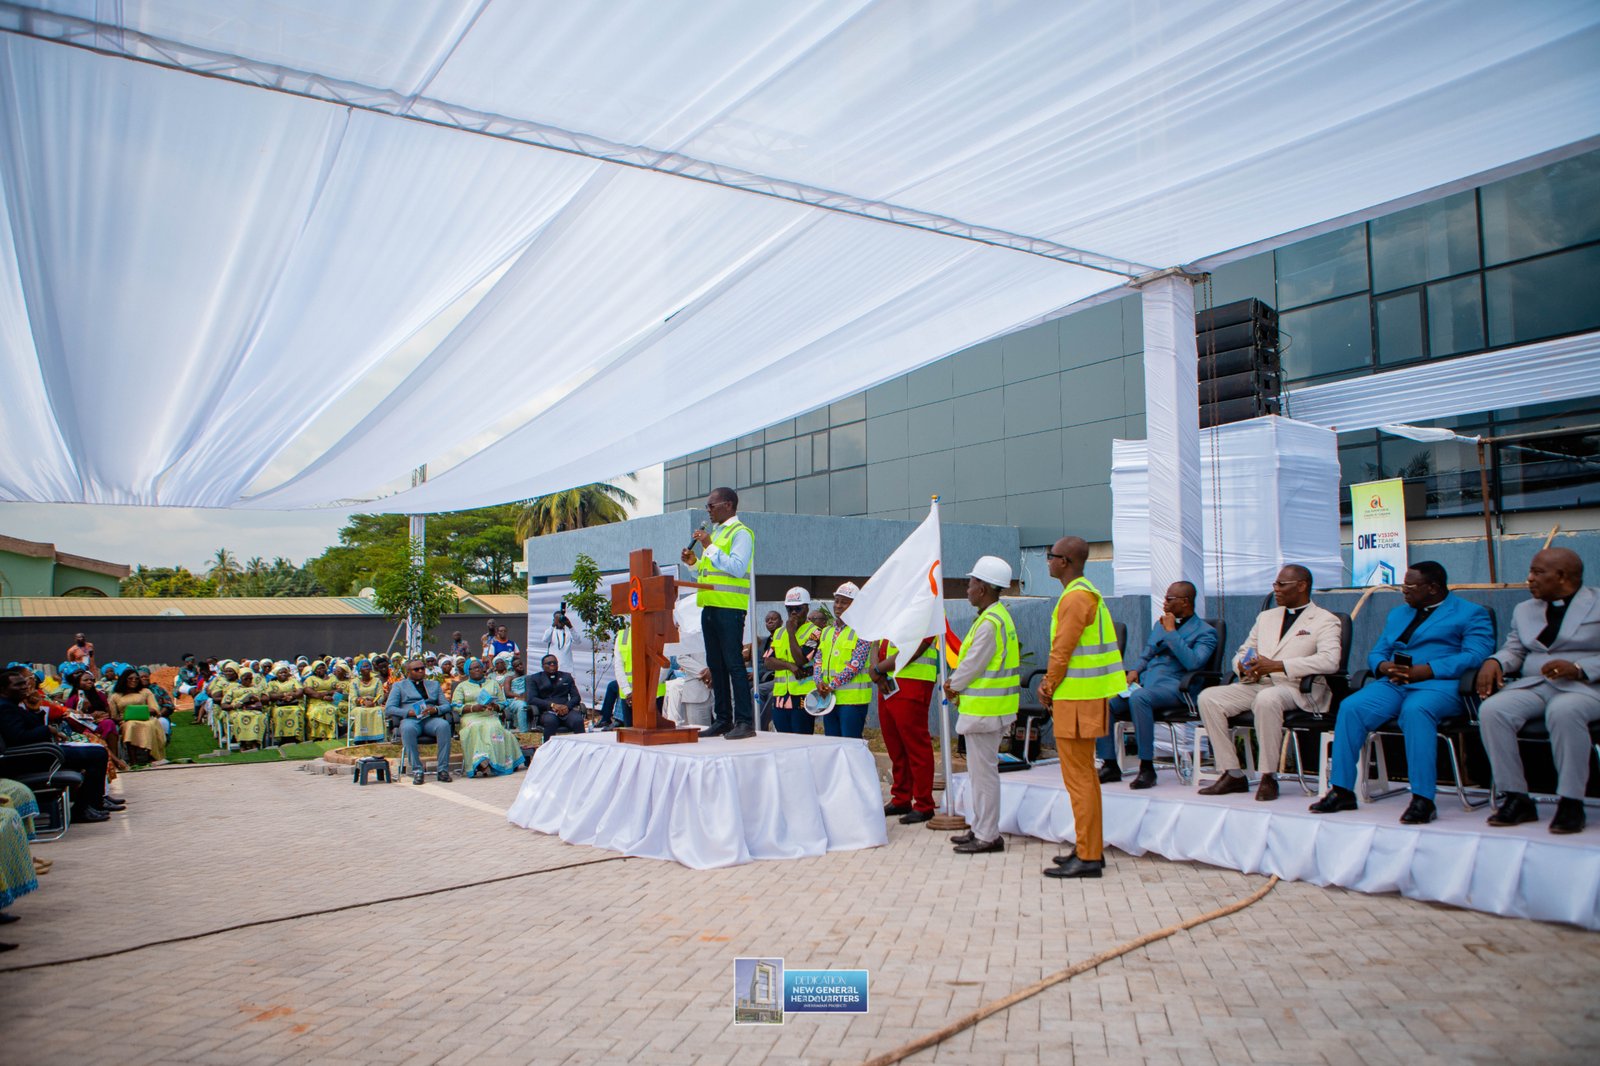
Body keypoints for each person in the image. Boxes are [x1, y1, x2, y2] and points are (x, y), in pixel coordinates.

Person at [1310, 562, 1494, 824]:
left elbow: (1477, 655)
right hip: (1395, 683)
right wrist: (1383, 666)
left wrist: (1427, 670)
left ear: (1432, 588)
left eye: (1409, 586)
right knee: (1352, 707)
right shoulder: (1398, 614)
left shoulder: (1471, 613)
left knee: (1415, 711)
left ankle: (1423, 799)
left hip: (1440, 685)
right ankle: (1341, 790)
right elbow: (1377, 652)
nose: (1403, 591)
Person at [1477, 547, 1600, 834]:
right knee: (1493, 710)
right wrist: (1495, 661)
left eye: (1537, 572)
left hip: (1587, 687)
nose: (1529, 578)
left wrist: (1580, 667)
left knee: (1564, 710)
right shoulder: (1524, 609)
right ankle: (1517, 798)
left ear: (1562, 576)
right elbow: (1515, 649)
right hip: (1537, 685)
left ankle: (1571, 802)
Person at [1196, 565, 1342, 801]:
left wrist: (1279, 665)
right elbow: (1244, 650)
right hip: (1259, 683)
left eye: (1281, 584)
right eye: (1275, 584)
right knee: (1208, 697)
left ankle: (1268, 776)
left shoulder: (1325, 620)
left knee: (1267, 699)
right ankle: (1232, 773)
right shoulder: (1266, 617)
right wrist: (1243, 666)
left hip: (1296, 688)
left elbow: (1330, 661)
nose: (1275, 589)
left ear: (1302, 586)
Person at [1034, 537, 1125, 878]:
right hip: (1084, 695)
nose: (1048, 561)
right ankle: (1089, 847)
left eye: (1051, 556)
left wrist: (1048, 685)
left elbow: (1062, 650)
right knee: (1085, 777)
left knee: (1079, 779)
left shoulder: (1075, 598)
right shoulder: (1086, 592)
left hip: (1075, 697)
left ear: (1067, 561)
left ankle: (1088, 856)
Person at [1097, 582, 1217, 789]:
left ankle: (1147, 767)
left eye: (1170, 599)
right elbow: (1148, 652)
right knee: (1104, 701)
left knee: (1139, 698)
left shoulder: (1206, 632)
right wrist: (1135, 671)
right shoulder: (1159, 625)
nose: (1164, 603)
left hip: (1178, 688)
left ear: (1185, 602)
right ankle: (1109, 764)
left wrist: (1172, 633)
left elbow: (1194, 663)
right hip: (1148, 683)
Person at [945, 556, 1021, 855]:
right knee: (980, 774)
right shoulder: (997, 616)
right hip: (990, 709)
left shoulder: (990, 623)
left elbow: (971, 665)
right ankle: (980, 828)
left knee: (984, 775)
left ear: (985, 588)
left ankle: (988, 835)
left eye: (972, 582)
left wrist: (952, 684)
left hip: (986, 711)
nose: (968, 588)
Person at [681, 487, 756, 740]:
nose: (708, 511)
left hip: (730, 608)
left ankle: (744, 721)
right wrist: (694, 562)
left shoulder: (741, 533)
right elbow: (708, 572)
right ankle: (723, 719)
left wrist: (709, 546)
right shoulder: (717, 534)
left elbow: (735, 568)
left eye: (711, 506)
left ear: (728, 505)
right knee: (715, 664)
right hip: (710, 605)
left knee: (734, 663)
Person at [0, 664, 115, 824]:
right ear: (3, 689)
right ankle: (83, 809)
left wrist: (36, 711)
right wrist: (48, 730)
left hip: (42, 750)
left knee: (96, 749)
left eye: (24, 682)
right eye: (18, 684)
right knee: (97, 754)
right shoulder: (5, 708)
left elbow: (33, 724)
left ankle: (94, 803)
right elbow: (19, 737)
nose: (25, 686)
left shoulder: (15, 705)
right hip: (30, 757)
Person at [870, 628, 939, 824]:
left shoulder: (925, 604)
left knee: (915, 745)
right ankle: (901, 797)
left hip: (913, 681)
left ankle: (924, 804)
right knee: (894, 745)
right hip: (887, 682)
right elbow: (876, 641)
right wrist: (877, 671)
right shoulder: (892, 606)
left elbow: (915, 650)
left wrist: (877, 669)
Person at [814, 583, 872, 739]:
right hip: (829, 699)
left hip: (852, 701)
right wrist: (818, 682)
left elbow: (856, 665)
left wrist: (831, 685)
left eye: (844, 602)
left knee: (850, 745)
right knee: (832, 744)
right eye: (837, 601)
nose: (838, 606)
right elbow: (818, 660)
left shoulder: (862, 631)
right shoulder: (827, 631)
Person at [385, 658, 453, 784]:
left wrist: (435, 709)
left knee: (443, 725)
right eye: (417, 669)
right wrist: (407, 712)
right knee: (407, 729)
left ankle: (443, 770)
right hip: (411, 719)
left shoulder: (434, 685)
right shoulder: (399, 686)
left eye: (423, 668)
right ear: (408, 672)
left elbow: (447, 705)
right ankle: (417, 770)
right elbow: (389, 709)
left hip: (430, 719)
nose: (421, 671)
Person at [452, 659, 525, 776]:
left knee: (493, 727)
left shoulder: (493, 683)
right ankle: (481, 762)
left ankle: (495, 763)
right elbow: (456, 705)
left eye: (479, 667)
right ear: (468, 671)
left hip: (489, 714)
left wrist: (495, 706)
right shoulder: (462, 686)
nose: (477, 670)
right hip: (471, 716)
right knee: (476, 727)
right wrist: (473, 708)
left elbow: (503, 703)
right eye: (474, 668)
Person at [766, 588, 819, 735]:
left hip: (803, 695)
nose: (793, 613)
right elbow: (768, 661)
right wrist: (789, 666)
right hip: (781, 695)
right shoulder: (779, 632)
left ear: (807, 608)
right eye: (790, 609)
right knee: (783, 739)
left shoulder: (815, 632)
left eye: (798, 609)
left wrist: (791, 632)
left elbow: (801, 660)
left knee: (801, 738)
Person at [110, 667, 166, 764]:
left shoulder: (145, 692)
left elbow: (155, 709)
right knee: (131, 725)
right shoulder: (115, 696)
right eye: (130, 679)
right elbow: (114, 716)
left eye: (136, 678)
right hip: (126, 721)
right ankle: (133, 760)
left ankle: (151, 758)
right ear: (124, 680)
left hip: (146, 719)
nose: (134, 681)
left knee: (151, 725)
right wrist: (126, 717)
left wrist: (142, 711)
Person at [526, 654, 585, 742]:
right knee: (551, 721)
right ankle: (548, 750)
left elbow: (576, 697)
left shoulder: (566, 677)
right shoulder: (535, 678)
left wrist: (567, 707)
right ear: (543, 666)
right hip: (548, 711)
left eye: (554, 663)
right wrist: (552, 705)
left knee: (578, 720)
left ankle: (582, 748)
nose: (552, 665)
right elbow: (532, 699)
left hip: (566, 710)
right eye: (549, 663)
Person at [225, 665, 269, 749]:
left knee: (258, 716)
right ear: (240, 679)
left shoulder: (257, 688)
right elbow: (224, 704)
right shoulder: (233, 689)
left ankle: (255, 742)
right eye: (246, 679)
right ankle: (243, 743)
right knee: (240, 716)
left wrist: (257, 698)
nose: (249, 680)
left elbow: (266, 698)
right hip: (238, 710)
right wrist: (233, 705)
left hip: (254, 709)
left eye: (250, 679)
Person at [347, 659, 387, 744]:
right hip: (358, 706)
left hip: (374, 704)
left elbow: (381, 695)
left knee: (379, 711)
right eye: (364, 666)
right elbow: (353, 697)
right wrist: (363, 702)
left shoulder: (377, 681)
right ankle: (361, 738)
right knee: (361, 711)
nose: (367, 668)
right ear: (360, 669)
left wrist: (374, 702)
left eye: (368, 666)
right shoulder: (354, 682)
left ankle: (376, 738)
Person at [265, 662, 304, 745]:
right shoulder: (272, 683)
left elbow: (300, 691)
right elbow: (270, 695)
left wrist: (291, 696)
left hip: (293, 703)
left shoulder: (293, 681)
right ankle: (282, 738)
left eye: (285, 672)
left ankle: (295, 737)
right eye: (281, 672)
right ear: (276, 674)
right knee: (280, 712)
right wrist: (283, 696)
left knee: (297, 712)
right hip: (278, 705)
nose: (283, 674)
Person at [302, 660, 340, 741]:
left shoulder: (333, 678)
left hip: (331, 700)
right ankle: (317, 736)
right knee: (316, 711)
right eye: (318, 668)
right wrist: (326, 695)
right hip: (315, 702)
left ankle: (330, 735)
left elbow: (339, 690)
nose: (321, 670)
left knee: (332, 709)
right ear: (315, 670)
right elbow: (311, 693)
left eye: (323, 668)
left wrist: (328, 695)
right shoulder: (310, 679)